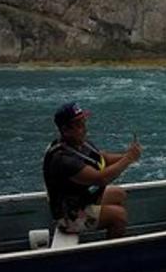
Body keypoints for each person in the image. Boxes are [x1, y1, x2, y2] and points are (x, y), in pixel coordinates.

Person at [42, 102, 141, 239]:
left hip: (81, 200)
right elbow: (100, 179)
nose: (84, 128)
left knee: (119, 194)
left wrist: (127, 155)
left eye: (83, 122)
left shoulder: (79, 143)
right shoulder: (63, 160)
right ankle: (113, 248)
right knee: (120, 215)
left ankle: (117, 232)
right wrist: (128, 159)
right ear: (65, 130)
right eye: (78, 125)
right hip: (69, 216)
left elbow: (102, 158)